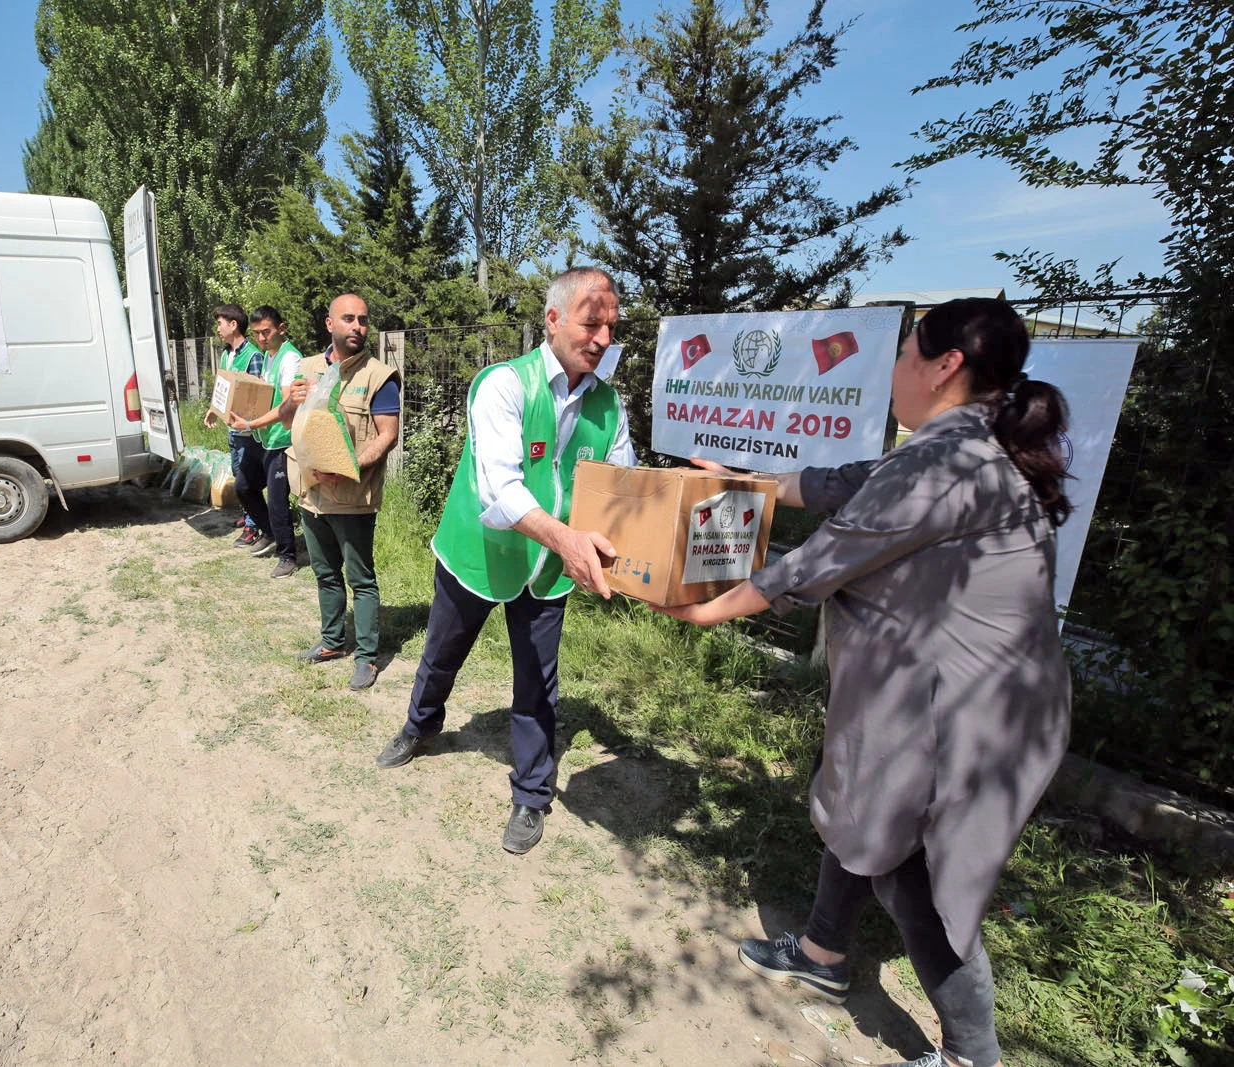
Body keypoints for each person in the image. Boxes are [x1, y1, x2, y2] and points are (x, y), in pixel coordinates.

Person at [657, 298, 1073, 1067]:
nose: (894, 369)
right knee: (858, 801)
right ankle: (822, 951)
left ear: (945, 365)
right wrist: (741, 480)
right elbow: (843, 482)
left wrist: (701, 608)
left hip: (968, 718)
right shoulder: (956, 446)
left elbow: (819, 559)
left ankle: (969, 1056)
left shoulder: (947, 463)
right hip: (941, 694)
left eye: (905, 352)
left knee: (917, 881)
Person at [373, 267, 634, 855]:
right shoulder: (504, 385)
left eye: (610, 328)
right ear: (553, 319)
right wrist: (568, 540)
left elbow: (621, 487)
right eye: (591, 323)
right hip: (481, 551)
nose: (601, 339)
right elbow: (500, 490)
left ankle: (532, 794)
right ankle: (420, 726)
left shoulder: (608, 403)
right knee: (441, 654)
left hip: (546, 571)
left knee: (539, 685)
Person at [284, 294, 402, 690]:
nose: (357, 327)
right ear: (328, 323)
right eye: (348, 319)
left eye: (363, 320)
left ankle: (367, 657)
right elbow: (288, 418)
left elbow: (388, 435)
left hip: (352, 498)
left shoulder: (378, 376)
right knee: (324, 573)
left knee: (361, 578)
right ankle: (332, 642)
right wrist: (291, 401)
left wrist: (350, 467)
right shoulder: (307, 368)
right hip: (311, 492)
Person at [230, 306, 304, 577]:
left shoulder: (290, 359)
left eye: (267, 332)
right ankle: (270, 532)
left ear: (281, 329)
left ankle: (288, 555)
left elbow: (287, 406)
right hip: (263, 437)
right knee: (244, 486)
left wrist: (249, 424)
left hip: (281, 441)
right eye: (257, 333)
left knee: (276, 501)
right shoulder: (268, 356)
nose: (261, 337)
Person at [202, 304, 268, 549]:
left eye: (220, 323)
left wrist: (247, 423)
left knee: (246, 480)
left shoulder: (253, 356)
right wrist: (213, 410)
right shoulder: (226, 354)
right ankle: (250, 513)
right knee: (238, 473)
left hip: (248, 432)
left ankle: (253, 526)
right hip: (232, 430)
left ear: (233, 325)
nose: (217, 328)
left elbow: (257, 396)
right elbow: (223, 387)